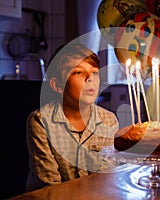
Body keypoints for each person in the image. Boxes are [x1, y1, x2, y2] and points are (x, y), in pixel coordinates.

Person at [25, 42, 119, 192]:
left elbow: (106, 178)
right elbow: (49, 186)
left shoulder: (109, 120)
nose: (90, 78)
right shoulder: (41, 122)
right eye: (78, 72)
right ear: (57, 86)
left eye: (94, 72)